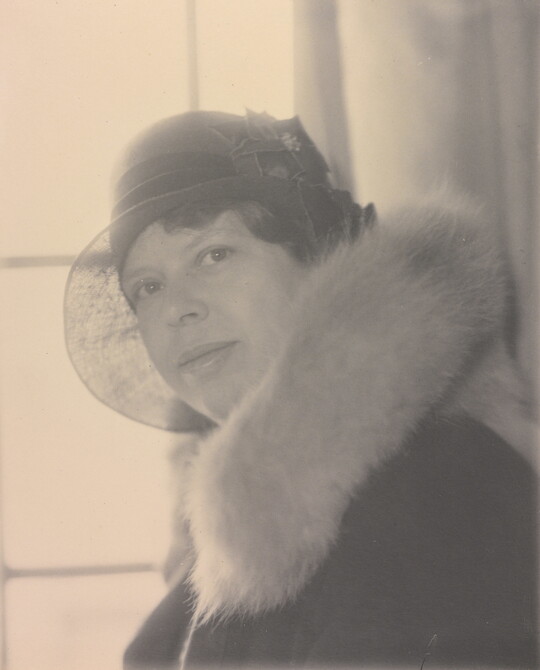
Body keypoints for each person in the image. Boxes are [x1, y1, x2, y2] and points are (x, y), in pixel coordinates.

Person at [64, 110, 537, 669]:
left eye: (214, 255)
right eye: (147, 287)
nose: (176, 309)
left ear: (320, 261)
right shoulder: (220, 557)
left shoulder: (446, 488)